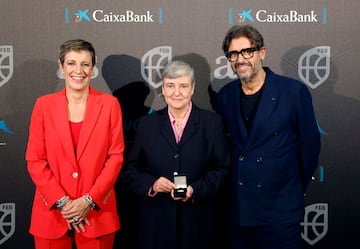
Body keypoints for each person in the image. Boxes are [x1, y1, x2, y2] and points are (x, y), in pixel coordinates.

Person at [216, 25, 321, 249]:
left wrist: (289, 189)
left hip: (279, 213)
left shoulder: (293, 92)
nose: (240, 59)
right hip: (239, 214)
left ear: (262, 52)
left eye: (247, 51)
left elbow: (310, 148)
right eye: (233, 54)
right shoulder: (225, 96)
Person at [25, 39, 125, 249]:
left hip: (97, 214)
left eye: (85, 64)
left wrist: (88, 201)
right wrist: (63, 203)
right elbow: (35, 159)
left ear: (93, 68)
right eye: (71, 63)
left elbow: (115, 157)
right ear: (61, 67)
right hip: (51, 214)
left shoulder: (109, 105)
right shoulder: (43, 105)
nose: (78, 70)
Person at [123, 60, 230, 249]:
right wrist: (153, 184)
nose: (177, 92)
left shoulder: (212, 123)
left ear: (193, 88)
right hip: (156, 224)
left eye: (183, 86)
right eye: (170, 86)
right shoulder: (146, 125)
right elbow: (131, 171)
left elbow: (222, 169)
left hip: (199, 224)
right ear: (163, 89)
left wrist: (196, 189)